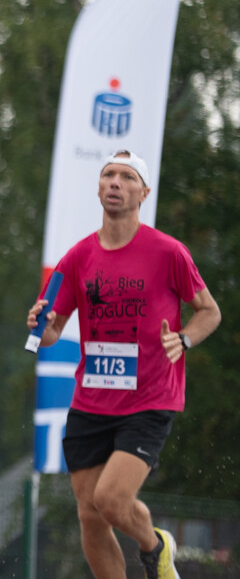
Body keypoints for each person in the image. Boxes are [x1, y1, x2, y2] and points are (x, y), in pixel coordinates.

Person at [26, 150, 220, 579]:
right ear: (98, 188)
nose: (115, 182)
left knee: (110, 501)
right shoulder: (78, 257)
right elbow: (53, 331)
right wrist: (43, 325)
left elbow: (209, 311)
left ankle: (156, 546)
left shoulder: (168, 252)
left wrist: (184, 339)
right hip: (91, 400)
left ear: (143, 192)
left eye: (127, 177)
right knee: (90, 515)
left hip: (149, 397)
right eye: (108, 174)